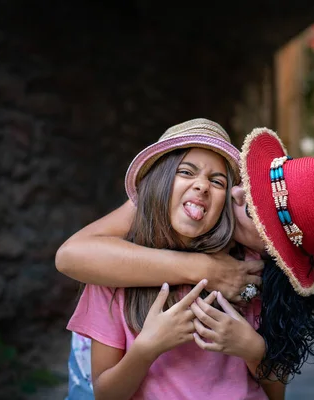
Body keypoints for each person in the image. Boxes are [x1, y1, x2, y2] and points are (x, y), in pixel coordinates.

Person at [57, 126, 314, 398]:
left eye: (255, 210)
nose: (236, 194)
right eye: (248, 184)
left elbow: (275, 390)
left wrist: (252, 348)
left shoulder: (251, 274)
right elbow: (73, 255)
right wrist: (205, 270)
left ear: (273, 250)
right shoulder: (157, 217)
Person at [65, 119, 269, 399]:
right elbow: (105, 395)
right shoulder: (112, 275)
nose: (202, 186)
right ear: (159, 183)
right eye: (186, 171)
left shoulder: (242, 271)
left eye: (217, 181)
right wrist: (147, 348)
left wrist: (253, 349)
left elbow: (276, 390)